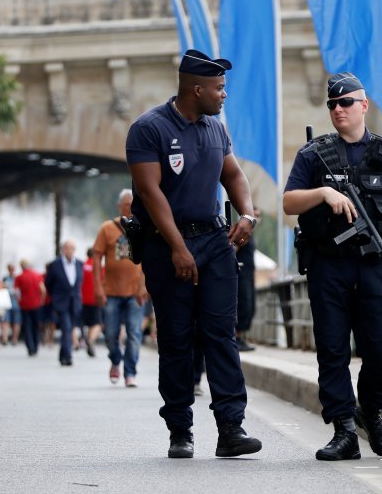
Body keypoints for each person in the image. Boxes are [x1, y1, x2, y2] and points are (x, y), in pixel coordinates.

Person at [126, 48, 262, 459]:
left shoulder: (215, 129)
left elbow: (233, 174)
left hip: (214, 243)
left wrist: (249, 215)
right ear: (196, 88)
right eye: (219, 89)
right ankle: (180, 430)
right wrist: (178, 249)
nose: (224, 96)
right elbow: (150, 194)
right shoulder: (148, 129)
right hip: (166, 246)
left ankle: (230, 429)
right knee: (177, 338)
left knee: (222, 335)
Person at [283, 72, 382, 461]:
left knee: (381, 350)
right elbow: (289, 202)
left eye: (346, 103)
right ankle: (343, 428)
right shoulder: (313, 155)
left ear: (364, 106)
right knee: (331, 350)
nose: (338, 110)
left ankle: (371, 408)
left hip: (375, 265)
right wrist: (324, 192)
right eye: (332, 104)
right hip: (328, 265)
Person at [93, 189, 146, 387]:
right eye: (126, 204)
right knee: (110, 334)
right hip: (111, 291)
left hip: (135, 292)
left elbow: (149, 257)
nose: (130, 208)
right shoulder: (107, 228)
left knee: (134, 333)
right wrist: (98, 286)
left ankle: (130, 371)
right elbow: (97, 258)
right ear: (119, 206)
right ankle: (116, 360)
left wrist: (144, 286)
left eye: (133, 204)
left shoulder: (143, 226)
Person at [44, 240, 84, 367]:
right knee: (67, 328)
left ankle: (62, 355)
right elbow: (48, 284)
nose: (69, 251)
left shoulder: (79, 264)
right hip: (61, 301)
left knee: (70, 327)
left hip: (75, 301)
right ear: (63, 249)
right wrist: (55, 297)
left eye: (71, 248)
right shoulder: (55, 265)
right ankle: (67, 356)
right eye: (67, 248)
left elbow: (79, 283)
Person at [235, 207, 260, 352]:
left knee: (250, 305)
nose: (257, 218)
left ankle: (240, 337)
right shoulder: (242, 232)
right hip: (241, 274)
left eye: (258, 215)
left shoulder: (250, 234)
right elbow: (234, 249)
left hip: (249, 274)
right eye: (254, 215)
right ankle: (236, 337)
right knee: (243, 304)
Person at [15, 259, 46, 357]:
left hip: (24, 304)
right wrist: (42, 300)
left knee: (27, 326)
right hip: (36, 304)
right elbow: (43, 290)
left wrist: (19, 301)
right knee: (36, 326)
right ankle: (36, 346)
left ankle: (30, 347)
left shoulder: (19, 277)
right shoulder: (37, 275)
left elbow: (16, 292)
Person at [80, 248, 102, 358]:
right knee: (97, 323)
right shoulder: (98, 266)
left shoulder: (81, 266)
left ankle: (88, 344)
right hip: (95, 299)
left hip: (82, 299)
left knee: (87, 323)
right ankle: (90, 340)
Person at [2, 263, 22, 346]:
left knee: (16, 321)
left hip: (16, 301)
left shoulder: (18, 278)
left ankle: (15, 338)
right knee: (6, 320)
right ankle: (5, 338)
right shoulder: (5, 278)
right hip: (7, 301)